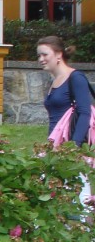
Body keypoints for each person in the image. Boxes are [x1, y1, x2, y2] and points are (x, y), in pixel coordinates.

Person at [39, 35, 93, 205]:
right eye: (39, 55)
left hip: (71, 148)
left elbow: (85, 113)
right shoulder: (55, 81)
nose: (41, 59)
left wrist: (73, 147)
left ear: (58, 54)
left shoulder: (75, 78)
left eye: (45, 54)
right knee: (52, 199)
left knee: (80, 200)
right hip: (54, 147)